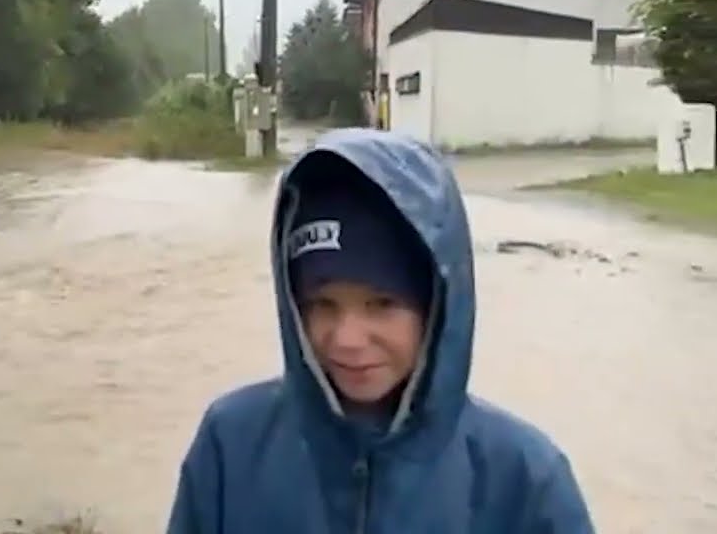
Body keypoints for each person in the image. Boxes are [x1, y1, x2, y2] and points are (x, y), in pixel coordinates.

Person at [165, 127, 594, 533]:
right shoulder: (229, 445)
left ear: (437, 305)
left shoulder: (527, 479)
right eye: (322, 304)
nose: (347, 339)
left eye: (382, 304)